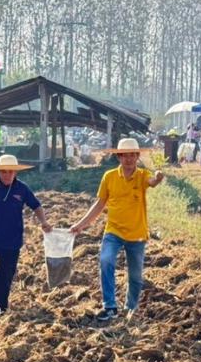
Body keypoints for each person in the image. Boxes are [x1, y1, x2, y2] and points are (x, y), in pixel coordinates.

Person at [71, 138, 166, 322]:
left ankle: (131, 308)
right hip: (113, 231)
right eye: (125, 155)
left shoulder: (142, 175)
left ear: (137, 157)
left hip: (137, 233)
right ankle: (110, 306)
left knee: (136, 277)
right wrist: (81, 224)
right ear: (119, 157)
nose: (129, 159)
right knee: (106, 261)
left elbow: (152, 182)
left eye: (132, 155)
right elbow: (99, 204)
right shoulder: (109, 177)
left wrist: (159, 178)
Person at [0, 153, 53, 315]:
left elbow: (36, 206)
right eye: (4, 172)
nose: (7, 175)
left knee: (6, 275)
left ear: (16, 172)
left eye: (11, 172)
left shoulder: (22, 189)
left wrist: (43, 222)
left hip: (13, 239)